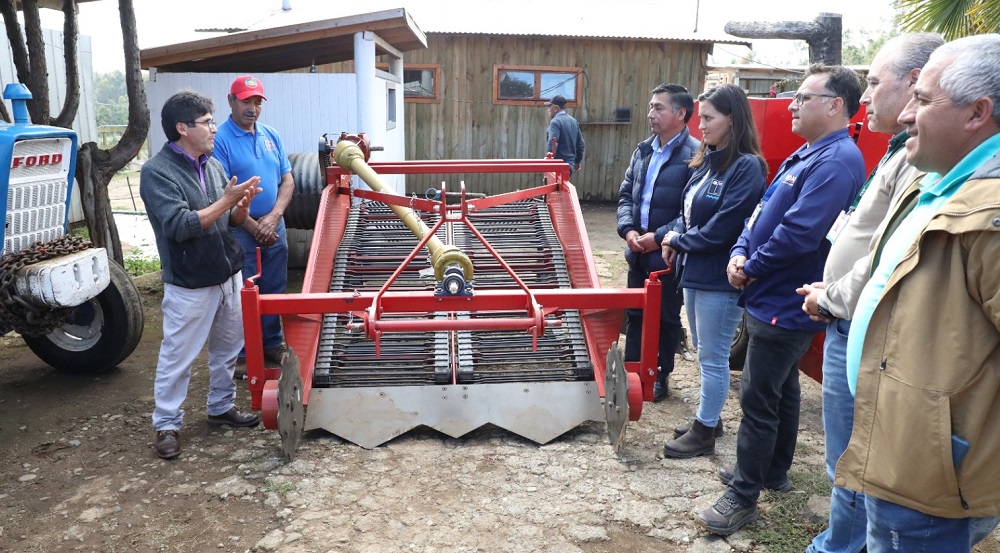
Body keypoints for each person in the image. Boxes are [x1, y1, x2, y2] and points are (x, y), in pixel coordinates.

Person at [836, 34, 1000, 552]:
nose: (906, 114)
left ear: (977, 113)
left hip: (934, 474)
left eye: (924, 100)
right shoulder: (936, 182)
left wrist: (951, 447)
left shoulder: (990, 215)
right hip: (903, 453)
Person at [697, 64, 866, 535]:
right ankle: (772, 471)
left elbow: (798, 233)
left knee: (757, 398)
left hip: (785, 301)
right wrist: (739, 250)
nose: (791, 105)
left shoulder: (836, 161)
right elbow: (760, 214)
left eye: (803, 98)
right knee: (781, 387)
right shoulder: (808, 154)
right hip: (766, 291)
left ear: (835, 105)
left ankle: (744, 495)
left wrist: (748, 267)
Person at [796, 33, 943, 553]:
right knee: (848, 454)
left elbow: (889, 252)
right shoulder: (895, 151)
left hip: (855, 318)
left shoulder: (921, 160)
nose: (866, 97)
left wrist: (832, 295)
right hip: (845, 313)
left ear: (914, 83)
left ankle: (843, 544)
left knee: (855, 457)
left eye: (875, 83)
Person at [140, 90, 263, 460]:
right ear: (182, 128)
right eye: (207, 122)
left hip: (227, 273)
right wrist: (226, 201)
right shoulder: (156, 173)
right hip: (190, 282)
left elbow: (227, 222)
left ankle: (220, 407)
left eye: (211, 121)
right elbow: (179, 225)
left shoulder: (211, 165)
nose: (214, 128)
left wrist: (241, 207)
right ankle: (167, 424)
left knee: (227, 350)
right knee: (178, 356)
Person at [659, 84, 768, 458]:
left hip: (720, 278)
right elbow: (689, 216)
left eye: (708, 118)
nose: (699, 125)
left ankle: (704, 431)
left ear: (732, 120)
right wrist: (676, 236)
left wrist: (679, 240)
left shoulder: (746, 167)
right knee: (706, 349)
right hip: (695, 272)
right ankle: (709, 416)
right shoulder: (709, 161)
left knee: (713, 355)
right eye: (700, 117)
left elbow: (724, 227)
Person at [616, 83, 700, 402]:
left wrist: (659, 237)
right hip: (638, 253)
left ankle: (659, 373)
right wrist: (629, 231)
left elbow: (691, 212)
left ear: (681, 113)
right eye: (651, 107)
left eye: (659, 108)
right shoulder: (644, 150)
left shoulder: (695, 155)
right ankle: (632, 372)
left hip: (667, 257)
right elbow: (626, 195)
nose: (651, 114)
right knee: (635, 314)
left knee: (665, 316)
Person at [212, 75, 294, 366]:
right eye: (246, 101)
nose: (253, 108)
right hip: (241, 229)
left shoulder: (271, 135)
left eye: (258, 102)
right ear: (231, 100)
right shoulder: (219, 139)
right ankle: (245, 352)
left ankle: (271, 344)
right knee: (243, 290)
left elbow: (287, 180)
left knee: (274, 285)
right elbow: (221, 192)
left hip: (274, 225)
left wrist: (273, 217)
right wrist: (253, 224)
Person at [544, 95, 585, 175]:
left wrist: (549, 160)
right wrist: (577, 161)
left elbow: (553, 142)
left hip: (557, 164)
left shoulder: (555, 122)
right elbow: (580, 144)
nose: (548, 109)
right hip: (569, 165)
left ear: (556, 108)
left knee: (554, 187)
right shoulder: (573, 121)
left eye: (550, 106)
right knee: (563, 186)